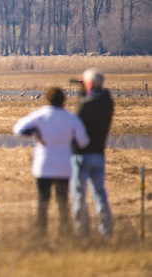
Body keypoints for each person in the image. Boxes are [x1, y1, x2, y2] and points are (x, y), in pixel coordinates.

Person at [13, 87, 89, 236]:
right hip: (64, 166)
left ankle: (41, 234)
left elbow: (18, 129)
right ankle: (65, 233)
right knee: (62, 202)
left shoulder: (40, 115)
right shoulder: (71, 118)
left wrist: (35, 134)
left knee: (43, 202)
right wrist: (68, 141)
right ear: (63, 100)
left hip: (44, 166)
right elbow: (83, 141)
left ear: (47, 99)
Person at [71, 68, 114, 237]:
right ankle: (106, 231)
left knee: (79, 195)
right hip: (99, 154)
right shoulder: (108, 103)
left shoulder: (86, 104)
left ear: (91, 84)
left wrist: (82, 94)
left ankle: (82, 232)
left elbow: (77, 125)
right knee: (99, 193)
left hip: (82, 155)